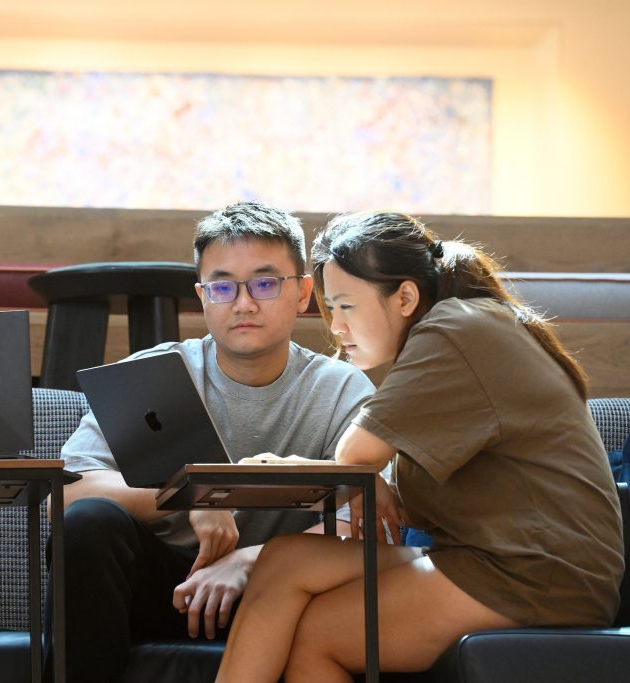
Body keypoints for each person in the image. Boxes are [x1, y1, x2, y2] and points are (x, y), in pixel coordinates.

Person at [216, 211, 625, 682]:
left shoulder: (453, 331)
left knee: (318, 635)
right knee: (285, 558)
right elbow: (387, 484)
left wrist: (364, 474)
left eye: (346, 306)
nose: (337, 328)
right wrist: (376, 482)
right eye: (332, 309)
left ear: (405, 297)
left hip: (536, 576)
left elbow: (355, 456)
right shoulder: (456, 330)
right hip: (495, 559)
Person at [47, 201, 376, 683]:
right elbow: (69, 496)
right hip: (166, 587)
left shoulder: (342, 389)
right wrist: (189, 495)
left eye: (265, 283)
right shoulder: (153, 375)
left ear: (304, 293)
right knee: (91, 523)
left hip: (282, 593)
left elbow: (369, 523)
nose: (243, 303)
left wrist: (253, 563)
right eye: (223, 286)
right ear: (202, 296)